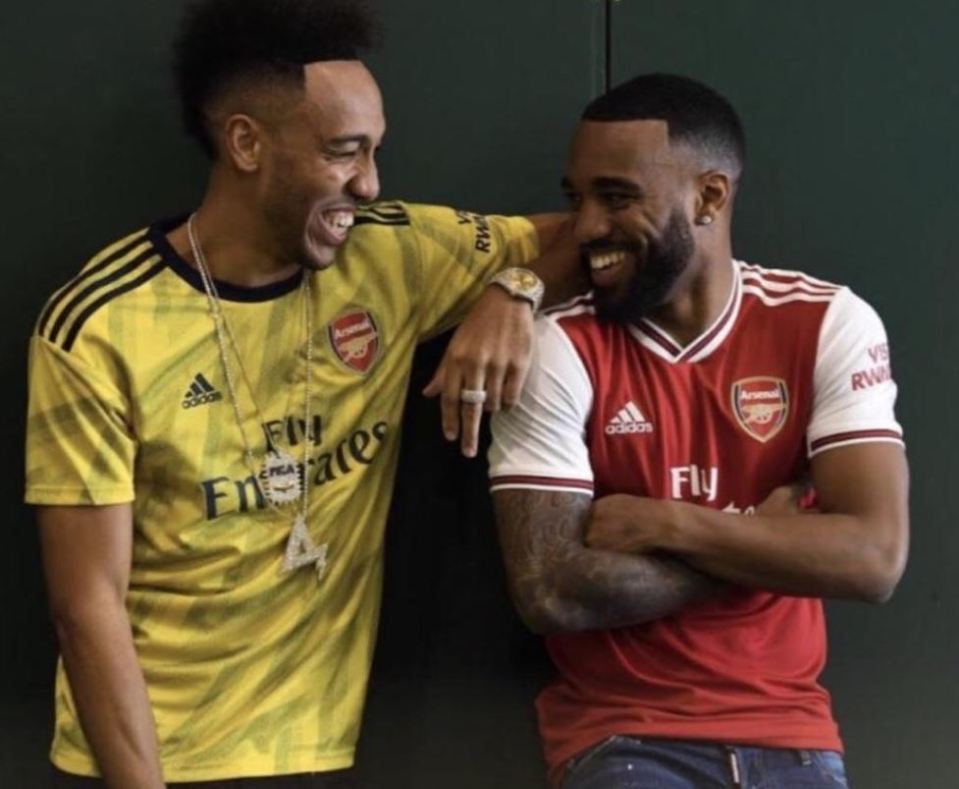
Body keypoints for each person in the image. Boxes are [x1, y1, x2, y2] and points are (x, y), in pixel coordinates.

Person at [25, 1, 579, 786]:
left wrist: (514, 291)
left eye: (375, 150)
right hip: (144, 756)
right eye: (343, 152)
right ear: (246, 143)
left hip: (313, 750)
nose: (370, 182)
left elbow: (586, 235)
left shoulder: (393, 254)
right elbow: (87, 606)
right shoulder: (103, 323)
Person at [489, 73, 909, 789]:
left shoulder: (825, 322)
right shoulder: (558, 346)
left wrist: (671, 525)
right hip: (622, 737)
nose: (585, 227)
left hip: (794, 734)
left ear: (708, 197)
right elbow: (552, 591)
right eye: (577, 198)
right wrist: (764, 546)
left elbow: (873, 558)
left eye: (616, 197)